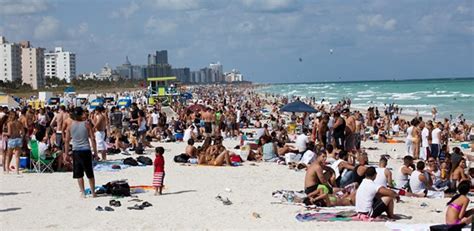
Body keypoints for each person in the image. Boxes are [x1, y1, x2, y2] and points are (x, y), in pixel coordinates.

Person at [64, 107, 98, 198]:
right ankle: (93, 192)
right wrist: (95, 152)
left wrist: (66, 154)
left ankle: (83, 193)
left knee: (79, 173)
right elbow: (93, 139)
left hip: (76, 151)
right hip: (86, 150)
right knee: (89, 173)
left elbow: (67, 141)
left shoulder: (70, 126)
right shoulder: (87, 124)